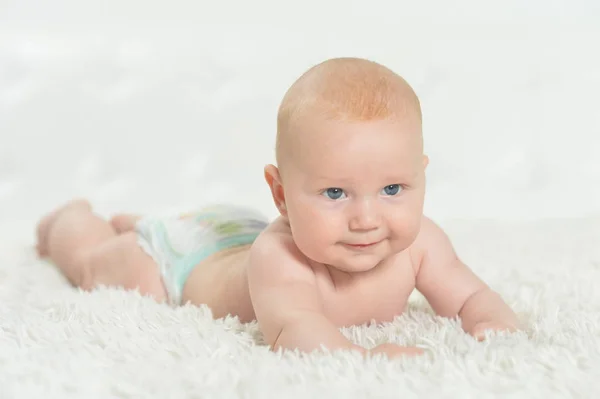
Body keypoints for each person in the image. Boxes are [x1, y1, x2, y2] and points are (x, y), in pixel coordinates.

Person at [35, 57, 519, 359]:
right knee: (96, 267)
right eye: (335, 194)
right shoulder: (280, 257)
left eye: (393, 189)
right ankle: (72, 219)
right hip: (187, 259)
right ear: (282, 196)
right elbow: (294, 329)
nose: (367, 218)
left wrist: (492, 322)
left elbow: (469, 296)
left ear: (421, 174)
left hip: (231, 227)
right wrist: (362, 358)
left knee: (160, 226)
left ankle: (136, 219)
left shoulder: (424, 244)